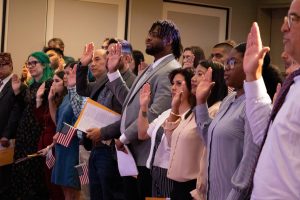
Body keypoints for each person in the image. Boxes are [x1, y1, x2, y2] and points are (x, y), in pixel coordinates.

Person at [106, 19, 182, 200]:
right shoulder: (153, 67)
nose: (148, 38)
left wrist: (124, 137)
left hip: (145, 155)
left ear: (169, 40)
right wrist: (112, 72)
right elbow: (129, 101)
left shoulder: (170, 70)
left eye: (154, 34)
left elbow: (155, 112)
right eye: (148, 33)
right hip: (133, 153)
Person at [243, 1, 300, 198]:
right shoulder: (295, 83)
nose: (284, 27)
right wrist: (253, 76)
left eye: (293, 19)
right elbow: (266, 137)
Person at [196, 43, 263, 199]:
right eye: (227, 63)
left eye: (233, 63)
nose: (227, 67)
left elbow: (249, 165)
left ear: (250, 64)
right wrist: (201, 103)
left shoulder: (254, 105)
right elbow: (209, 139)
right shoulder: (229, 100)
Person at [75, 40, 136, 200]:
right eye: (109, 53)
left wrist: (102, 132)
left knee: (111, 195)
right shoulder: (106, 78)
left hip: (114, 150)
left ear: (128, 58)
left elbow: (130, 117)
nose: (111, 57)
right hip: (96, 147)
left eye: (116, 52)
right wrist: (82, 65)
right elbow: (82, 89)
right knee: (96, 194)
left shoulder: (132, 81)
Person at [10, 51, 53, 199]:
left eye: (34, 62)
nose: (30, 66)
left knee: (34, 174)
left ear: (45, 64)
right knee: (22, 172)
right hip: (24, 134)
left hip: (37, 134)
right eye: (29, 63)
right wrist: (18, 92)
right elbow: (28, 108)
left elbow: (43, 111)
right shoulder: (31, 85)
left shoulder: (49, 83)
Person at [190, 60, 227, 200]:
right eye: (194, 73)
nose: (193, 78)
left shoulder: (216, 110)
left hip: (203, 184)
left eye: (200, 74)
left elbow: (208, 147)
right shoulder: (198, 108)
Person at [50, 62, 83, 200]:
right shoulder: (65, 97)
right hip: (61, 148)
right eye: (65, 73)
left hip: (73, 149)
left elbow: (80, 122)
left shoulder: (81, 95)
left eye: (69, 73)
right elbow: (57, 123)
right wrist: (50, 100)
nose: (65, 76)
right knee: (64, 188)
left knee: (73, 189)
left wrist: (62, 133)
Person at [0, 53, 25, 198]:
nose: (0, 68)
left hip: (7, 138)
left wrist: (6, 134)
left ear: (11, 66)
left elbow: (16, 112)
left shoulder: (17, 85)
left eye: (4, 65)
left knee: (4, 177)